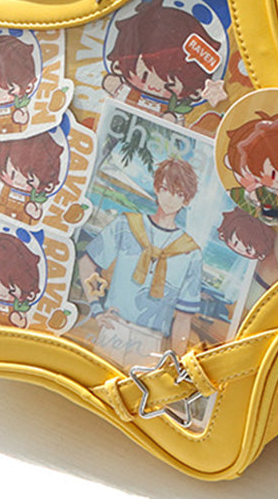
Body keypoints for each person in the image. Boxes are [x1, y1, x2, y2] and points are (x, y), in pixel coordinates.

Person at [76, 158, 203, 369]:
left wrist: (177, 364)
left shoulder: (191, 253)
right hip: (114, 328)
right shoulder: (126, 225)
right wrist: (96, 308)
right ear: (157, 188)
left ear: (187, 199)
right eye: (166, 189)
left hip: (152, 341)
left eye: (179, 193)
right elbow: (87, 263)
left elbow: (183, 318)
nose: (170, 198)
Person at [103, 0, 222, 123]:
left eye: (169, 86)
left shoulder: (169, 108)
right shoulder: (131, 95)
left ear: (194, 91)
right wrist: (116, 87)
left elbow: (178, 120)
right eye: (144, 77)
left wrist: (171, 119)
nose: (153, 87)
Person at [0, 132, 64, 223]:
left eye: (30, 181)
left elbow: (37, 215)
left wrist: (34, 211)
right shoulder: (1, 187)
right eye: (12, 175)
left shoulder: (32, 200)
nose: (18, 182)